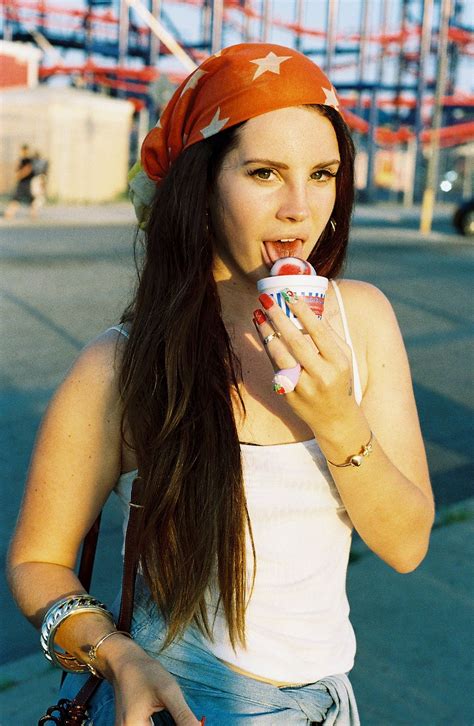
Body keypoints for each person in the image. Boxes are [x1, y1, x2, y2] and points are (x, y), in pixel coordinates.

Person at [7, 43, 434, 725]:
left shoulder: (364, 322)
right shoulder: (123, 365)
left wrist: (338, 418)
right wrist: (119, 656)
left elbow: (407, 545)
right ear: (200, 184)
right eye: (265, 173)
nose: (300, 208)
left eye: (322, 174)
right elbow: (37, 560)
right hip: (185, 699)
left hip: (332, 700)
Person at [3, 144, 40, 219]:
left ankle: (9, 213)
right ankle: (33, 214)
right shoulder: (22, 159)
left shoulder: (27, 160)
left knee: (18, 198)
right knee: (25, 199)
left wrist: (19, 175)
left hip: (25, 183)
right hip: (23, 183)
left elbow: (28, 170)